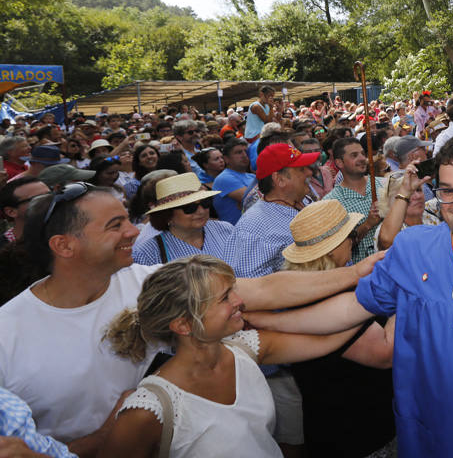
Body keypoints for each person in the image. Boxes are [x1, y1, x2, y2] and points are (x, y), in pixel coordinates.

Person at [244, 132, 453, 457]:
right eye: (448, 191)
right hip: (431, 438)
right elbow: (350, 309)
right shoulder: (413, 248)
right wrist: (260, 321)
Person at [0, 183, 382, 451]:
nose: (134, 231)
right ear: (64, 245)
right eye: (115, 226)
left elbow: (266, 290)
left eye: (126, 219)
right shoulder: (8, 334)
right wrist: (110, 439)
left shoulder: (142, 281)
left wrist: (357, 272)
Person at [101, 255, 363, 458]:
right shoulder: (149, 410)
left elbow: (328, 337)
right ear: (183, 325)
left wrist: (376, 290)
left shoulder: (246, 350)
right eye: (225, 298)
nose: (239, 300)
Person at [281, 202, 396, 458]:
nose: (353, 241)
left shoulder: (295, 290)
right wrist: (406, 294)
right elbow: (384, 353)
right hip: (358, 433)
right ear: (333, 249)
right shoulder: (327, 298)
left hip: (331, 426)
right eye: (351, 235)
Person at [233, 143, 320, 278]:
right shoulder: (254, 228)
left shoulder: (305, 200)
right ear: (280, 179)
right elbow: (253, 289)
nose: (310, 172)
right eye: (301, 169)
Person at [132, 173, 236, 266]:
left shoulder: (226, 230)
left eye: (205, 203)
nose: (201, 211)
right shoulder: (148, 253)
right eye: (189, 207)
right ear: (167, 214)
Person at [321, 138, 385, 262]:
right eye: (354, 155)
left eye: (363, 153)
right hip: (361, 275)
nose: (362, 158)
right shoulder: (331, 202)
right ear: (339, 163)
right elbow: (334, 250)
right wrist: (367, 225)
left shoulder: (384, 184)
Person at [211, 138, 255, 225]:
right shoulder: (224, 178)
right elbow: (254, 200)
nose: (244, 155)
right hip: (236, 233)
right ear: (226, 159)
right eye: (238, 152)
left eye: (246, 151)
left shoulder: (252, 176)